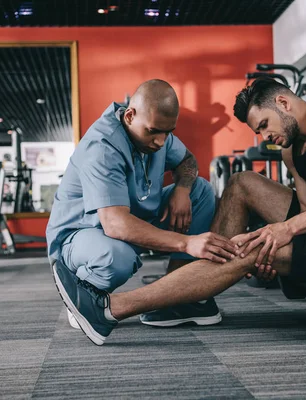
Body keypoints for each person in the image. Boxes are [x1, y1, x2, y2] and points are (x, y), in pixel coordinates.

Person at [52, 76, 306, 345]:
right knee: (241, 184)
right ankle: (195, 294)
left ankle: (109, 309)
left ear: (284, 103)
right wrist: (286, 251)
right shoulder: (291, 148)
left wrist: (281, 235)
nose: (264, 137)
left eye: (263, 126)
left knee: (247, 247)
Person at [46, 79, 238, 336]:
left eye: (167, 132)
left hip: (128, 219)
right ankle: (85, 295)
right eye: (153, 132)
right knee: (117, 257)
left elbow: (187, 161)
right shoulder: (102, 147)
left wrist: (181, 190)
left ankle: (178, 297)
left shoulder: (156, 133)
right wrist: (186, 242)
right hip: (82, 235)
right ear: (129, 115)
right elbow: (115, 224)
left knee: (200, 191)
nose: (160, 141)